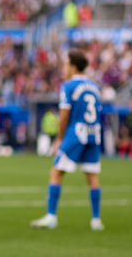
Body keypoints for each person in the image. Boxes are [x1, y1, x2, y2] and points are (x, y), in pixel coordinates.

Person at [31, 49, 104, 231]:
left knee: (56, 172)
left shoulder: (69, 86)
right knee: (92, 176)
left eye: (65, 64)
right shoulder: (94, 86)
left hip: (75, 134)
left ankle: (51, 217)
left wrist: (59, 139)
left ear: (72, 66)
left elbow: (64, 116)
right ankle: (96, 220)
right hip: (93, 134)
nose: (63, 68)